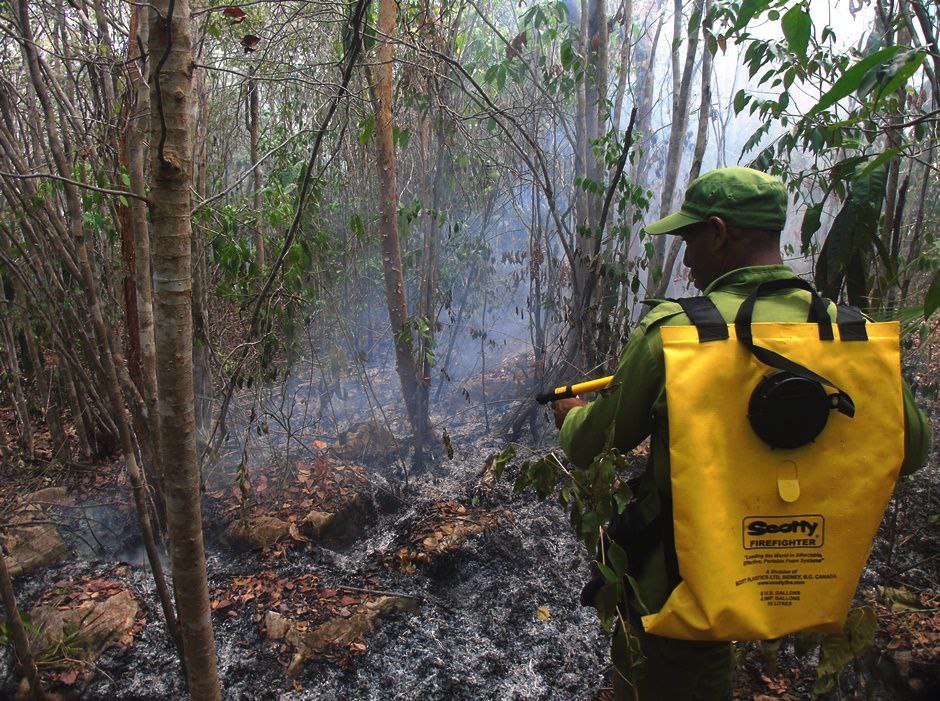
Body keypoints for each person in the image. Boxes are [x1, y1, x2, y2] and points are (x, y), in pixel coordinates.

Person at [551, 166, 932, 700]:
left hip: (682, 585)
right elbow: (912, 451)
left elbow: (589, 443)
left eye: (690, 241)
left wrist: (571, 413)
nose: (686, 260)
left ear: (719, 232)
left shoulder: (675, 331)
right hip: (793, 576)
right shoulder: (850, 333)